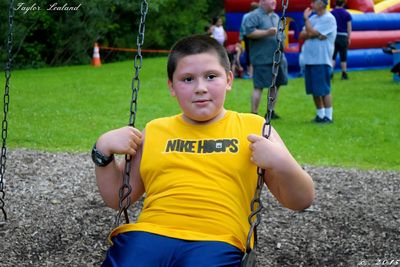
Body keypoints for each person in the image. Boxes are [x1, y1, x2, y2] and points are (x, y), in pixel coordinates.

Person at [93, 35, 315, 267]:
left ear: (229, 79)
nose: (200, 88)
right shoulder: (155, 130)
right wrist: (103, 152)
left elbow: (301, 200)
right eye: (187, 79)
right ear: (171, 86)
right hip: (149, 234)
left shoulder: (254, 128)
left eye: (211, 77)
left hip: (218, 240)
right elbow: (119, 198)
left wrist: (282, 162)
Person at [242, 0, 288, 118]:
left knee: (276, 85)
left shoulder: (276, 16)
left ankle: (270, 112)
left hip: (277, 59)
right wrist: (267, 32)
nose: (274, 2)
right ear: (262, 2)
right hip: (262, 58)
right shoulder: (254, 16)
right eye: (270, 0)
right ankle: (254, 114)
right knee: (259, 87)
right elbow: (249, 33)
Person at [300, 0, 337, 123]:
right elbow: (302, 34)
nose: (312, 4)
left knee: (323, 89)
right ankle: (320, 115)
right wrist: (313, 33)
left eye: (315, 2)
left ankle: (328, 116)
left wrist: (307, 21)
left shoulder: (329, 19)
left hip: (322, 59)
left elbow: (310, 32)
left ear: (322, 4)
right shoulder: (314, 18)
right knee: (314, 90)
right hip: (310, 59)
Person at [331, 0, 352, 80]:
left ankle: (331, 73)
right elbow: (349, 27)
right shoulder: (346, 13)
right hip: (343, 36)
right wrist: (349, 38)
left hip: (334, 36)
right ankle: (344, 73)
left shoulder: (332, 13)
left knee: (333, 56)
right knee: (343, 56)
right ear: (343, 4)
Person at [239, 1, 260, 78]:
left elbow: (242, 27)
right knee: (253, 52)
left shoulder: (246, 16)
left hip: (246, 36)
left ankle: (249, 71)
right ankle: (252, 71)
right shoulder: (254, 16)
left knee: (248, 53)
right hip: (252, 36)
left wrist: (241, 37)